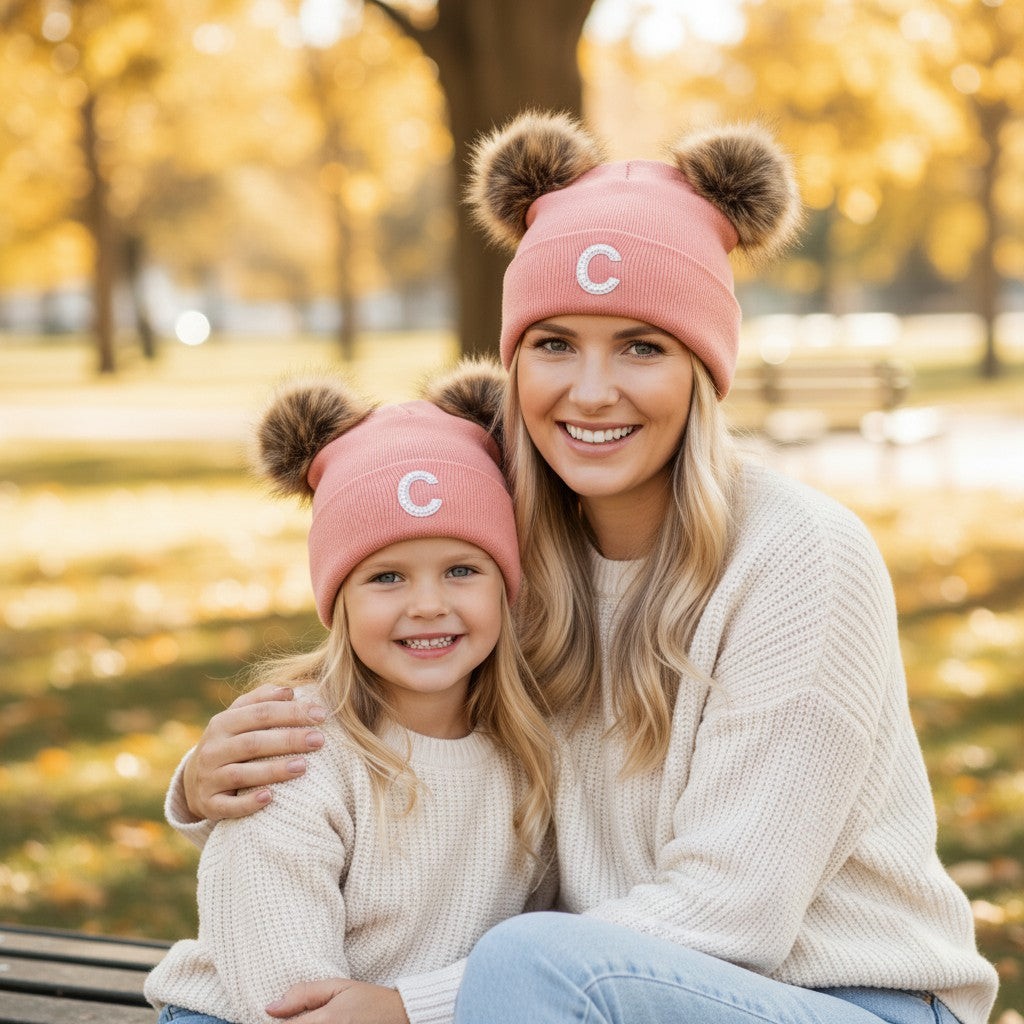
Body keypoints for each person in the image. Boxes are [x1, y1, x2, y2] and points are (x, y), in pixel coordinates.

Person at [170, 111, 999, 1024]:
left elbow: (735, 916)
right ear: (513, 362)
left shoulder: (801, 559)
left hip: (839, 1001)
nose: (591, 390)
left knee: (527, 965)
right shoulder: (512, 553)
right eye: (555, 343)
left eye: (641, 347)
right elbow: (395, 698)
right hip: (589, 996)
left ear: (702, 371)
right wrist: (212, 777)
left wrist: (407, 1008)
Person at [145, 367, 555, 1024]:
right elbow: (282, 986)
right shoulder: (293, 746)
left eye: (461, 570)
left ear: (507, 586)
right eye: (386, 576)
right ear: (336, 602)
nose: (428, 605)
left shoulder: (529, 744)